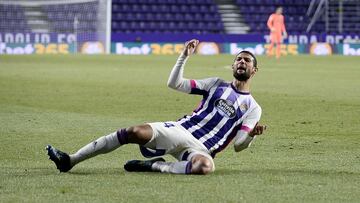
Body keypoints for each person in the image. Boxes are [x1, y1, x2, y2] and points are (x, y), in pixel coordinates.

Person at [46, 39, 266, 175]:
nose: (241, 62)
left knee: (205, 168)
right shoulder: (216, 84)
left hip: (200, 150)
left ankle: (155, 166)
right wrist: (183, 57)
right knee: (134, 132)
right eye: (238, 59)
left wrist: (252, 136)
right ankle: (70, 160)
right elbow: (175, 84)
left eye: (247, 60)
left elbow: (239, 145)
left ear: (254, 70)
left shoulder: (253, 108)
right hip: (179, 130)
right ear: (232, 65)